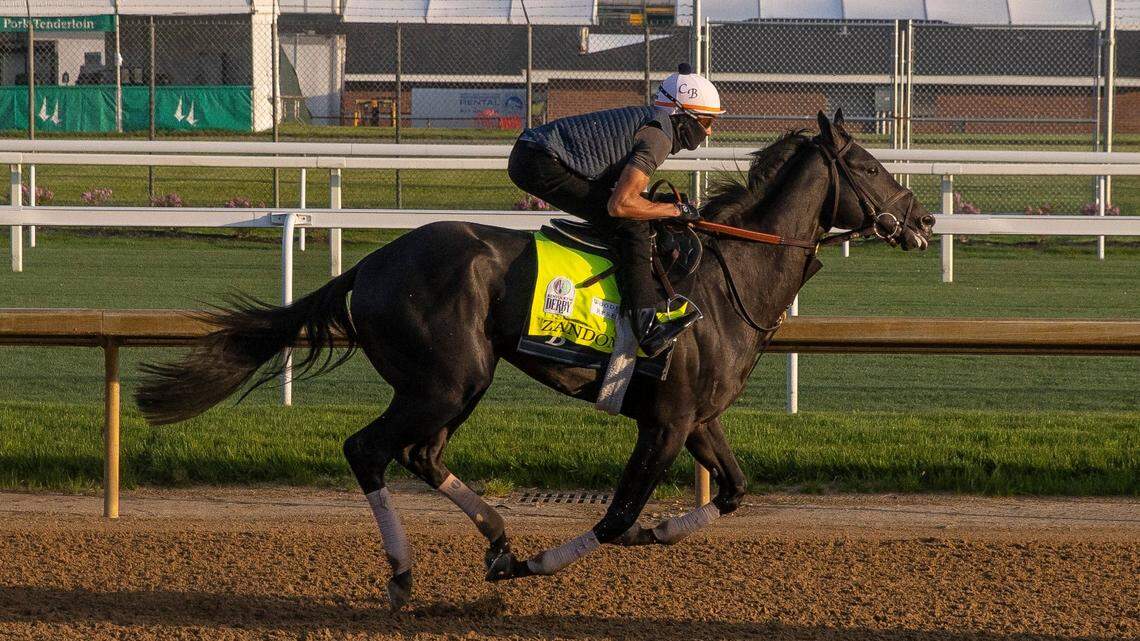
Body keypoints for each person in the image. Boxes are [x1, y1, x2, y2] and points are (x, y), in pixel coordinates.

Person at [508, 63, 724, 358]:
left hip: (536, 153)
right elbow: (620, 205)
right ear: (684, 117)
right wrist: (674, 211)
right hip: (537, 160)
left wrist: (666, 208)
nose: (709, 132)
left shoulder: (655, 123)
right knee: (631, 225)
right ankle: (646, 326)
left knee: (642, 213)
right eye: (707, 121)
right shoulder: (659, 136)